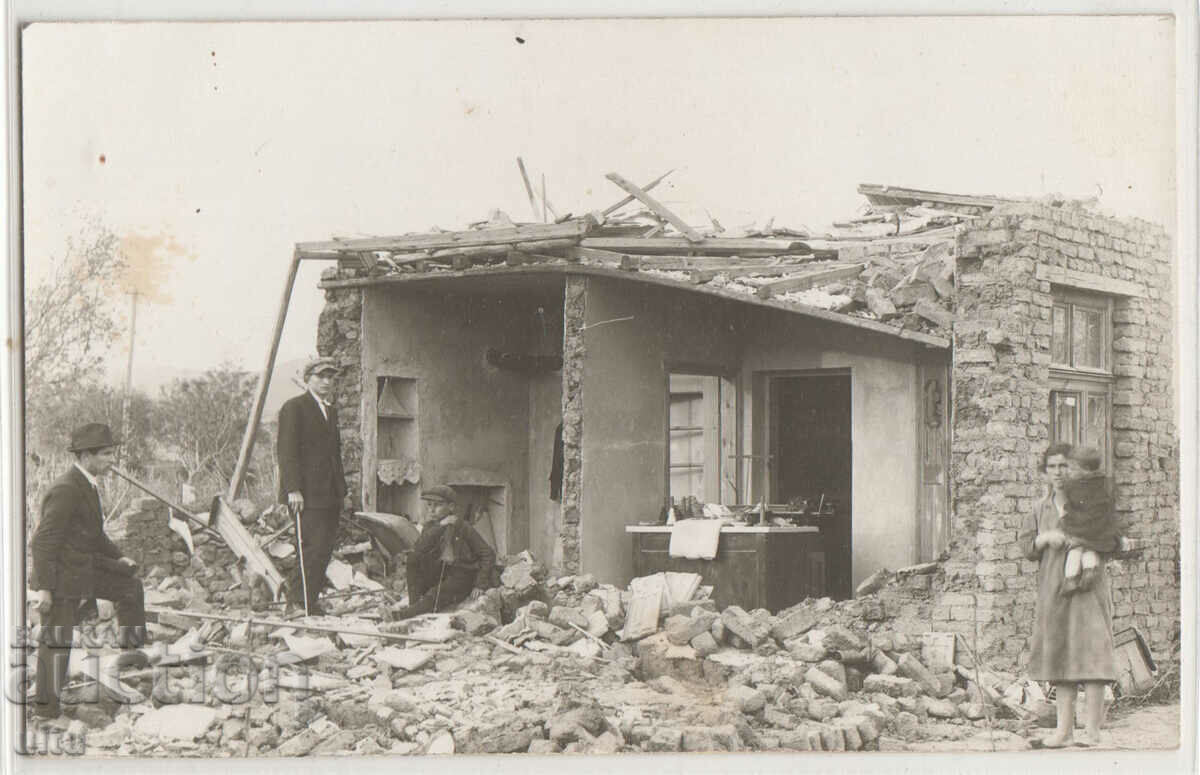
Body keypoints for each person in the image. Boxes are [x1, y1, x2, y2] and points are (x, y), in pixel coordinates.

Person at [29, 423, 146, 721]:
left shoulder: (89, 485)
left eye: (111, 453)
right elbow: (42, 542)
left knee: (130, 585)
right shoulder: (66, 489)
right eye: (106, 454)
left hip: (85, 567)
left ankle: (131, 660)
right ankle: (46, 711)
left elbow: (96, 536)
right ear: (86, 455)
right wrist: (44, 588)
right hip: (61, 576)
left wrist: (121, 558)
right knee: (57, 641)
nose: (111, 460)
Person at [1019, 443, 1117, 748]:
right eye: (1052, 467)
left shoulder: (1093, 501)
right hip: (1055, 589)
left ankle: (1092, 731)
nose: (1059, 473)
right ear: (1044, 472)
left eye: (1064, 466)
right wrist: (1043, 539)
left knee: (1093, 653)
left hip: (1087, 587)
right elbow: (1024, 547)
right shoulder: (1039, 508)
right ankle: (1063, 731)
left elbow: (1112, 539)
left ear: (1073, 469)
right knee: (1059, 655)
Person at [277, 357, 347, 615]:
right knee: (310, 547)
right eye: (321, 377)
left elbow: (334, 455)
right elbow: (287, 452)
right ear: (308, 379)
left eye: (331, 377)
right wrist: (292, 488)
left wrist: (343, 492)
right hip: (305, 494)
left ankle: (309, 600)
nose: (327, 382)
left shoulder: (331, 411)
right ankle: (295, 602)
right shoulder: (294, 407)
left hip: (330, 494)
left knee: (325, 549)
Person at [394, 485, 495, 620]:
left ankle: (403, 616)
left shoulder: (463, 527)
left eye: (437, 505)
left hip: (461, 576)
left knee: (437, 593)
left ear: (451, 507)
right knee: (412, 560)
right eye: (429, 505)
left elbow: (487, 553)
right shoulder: (431, 527)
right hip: (439, 573)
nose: (432, 510)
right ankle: (414, 606)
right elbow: (418, 550)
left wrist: (480, 583)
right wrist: (441, 527)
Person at [1060, 446, 1120, 594]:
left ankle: (1070, 579)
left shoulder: (1076, 487)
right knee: (1091, 548)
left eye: (1073, 469)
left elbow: (1072, 508)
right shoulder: (1104, 484)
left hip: (1082, 527)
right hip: (1102, 531)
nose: (1069, 472)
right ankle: (1089, 569)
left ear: (1086, 470)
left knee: (1075, 548)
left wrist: (1066, 520)